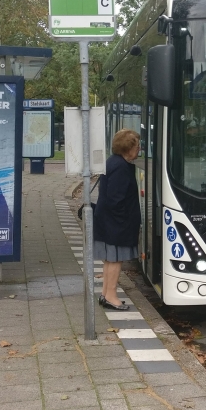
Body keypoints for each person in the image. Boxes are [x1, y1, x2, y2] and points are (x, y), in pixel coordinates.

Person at [93, 129, 141, 310]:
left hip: (108, 222)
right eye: (137, 146)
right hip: (116, 224)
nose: (139, 150)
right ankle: (112, 296)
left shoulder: (113, 162)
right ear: (128, 148)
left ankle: (105, 294)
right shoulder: (121, 167)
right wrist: (126, 221)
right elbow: (116, 199)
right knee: (114, 260)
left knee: (109, 260)